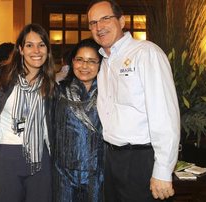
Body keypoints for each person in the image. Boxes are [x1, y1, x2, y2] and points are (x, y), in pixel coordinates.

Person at [87, 0, 180, 201]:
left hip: (140, 159)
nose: (98, 27)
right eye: (93, 23)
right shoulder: (104, 62)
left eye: (105, 19)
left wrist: (163, 171)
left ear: (121, 21)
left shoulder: (147, 53)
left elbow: (165, 114)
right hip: (112, 159)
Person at [0, 23, 56, 202]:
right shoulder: (2, 77)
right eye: (29, 45)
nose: (36, 50)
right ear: (21, 49)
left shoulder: (52, 85)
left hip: (41, 156)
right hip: (7, 154)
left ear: (47, 50)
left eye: (41, 45)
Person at [52, 38, 104, 202]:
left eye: (91, 61)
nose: (84, 66)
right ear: (72, 61)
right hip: (63, 173)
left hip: (97, 174)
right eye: (79, 60)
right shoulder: (58, 92)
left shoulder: (108, 93)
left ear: (100, 64)